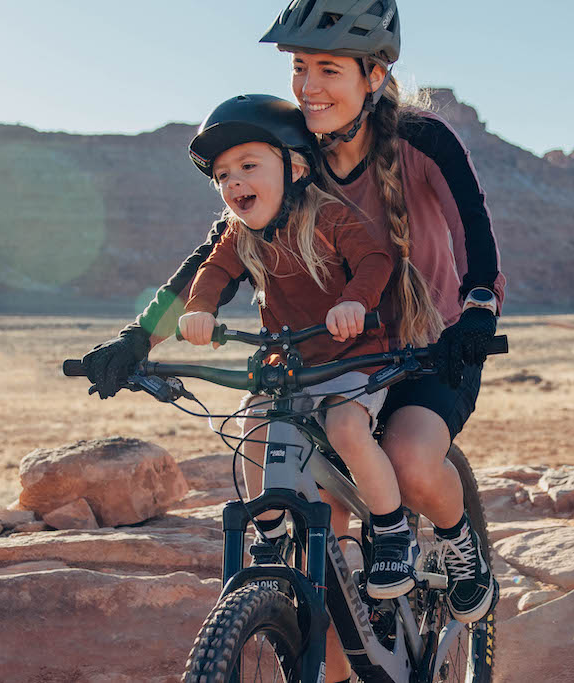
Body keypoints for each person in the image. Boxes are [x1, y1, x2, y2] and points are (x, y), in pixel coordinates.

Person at [82, 2, 504, 680]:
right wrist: (138, 337)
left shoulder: (422, 139)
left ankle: (463, 552)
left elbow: (474, 229)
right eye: (299, 66)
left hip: (427, 353)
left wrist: (480, 309)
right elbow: (212, 256)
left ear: (374, 74)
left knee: (411, 463)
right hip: (322, 364)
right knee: (323, 545)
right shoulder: (290, 151)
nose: (308, 84)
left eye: (328, 68)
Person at [177, 92, 426, 598]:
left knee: (345, 426)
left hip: (353, 357)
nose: (234, 182)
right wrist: (199, 310)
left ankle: (393, 529)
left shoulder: (330, 218)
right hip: (289, 364)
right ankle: (269, 532)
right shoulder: (237, 235)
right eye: (223, 176)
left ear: (294, 166)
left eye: (248, 165)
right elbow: (213, 272)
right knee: (252, 426)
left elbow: (376, 259)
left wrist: (354, 302)